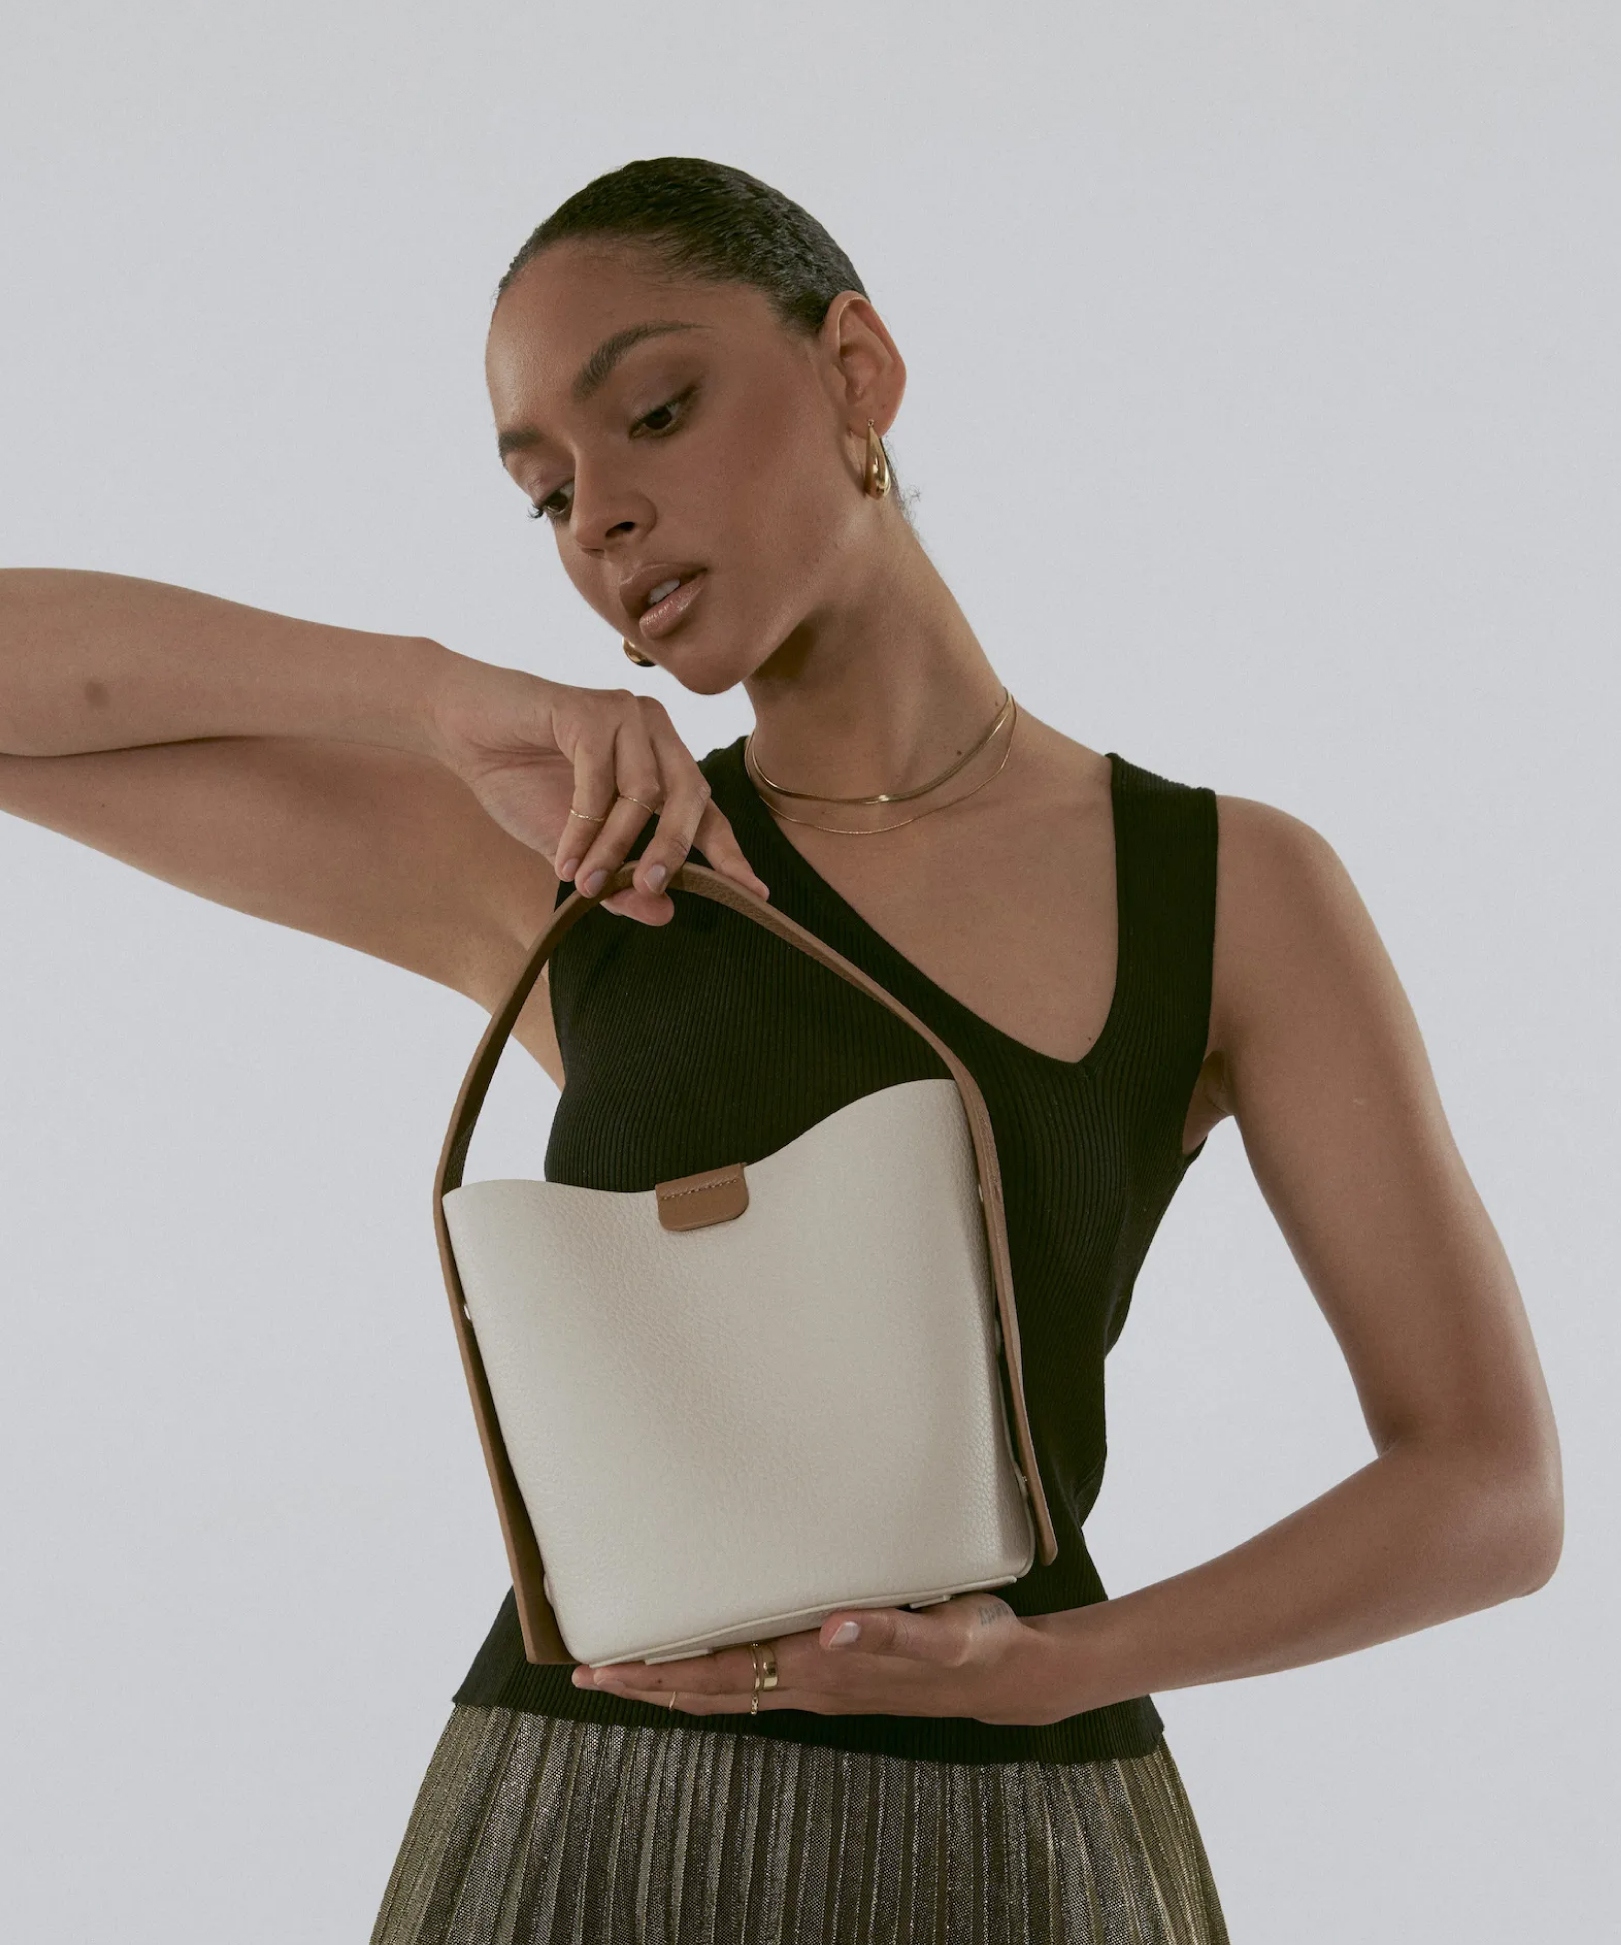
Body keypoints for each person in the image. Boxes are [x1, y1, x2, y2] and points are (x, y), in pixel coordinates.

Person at [0, 157, 1562, 1945]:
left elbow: (1486, 1485)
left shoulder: (1230, 889)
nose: (600, 517)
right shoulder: (592, 865)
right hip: (581, 1834)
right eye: (545, 494)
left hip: (1016, 1847)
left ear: (855, 371)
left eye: (656, 412)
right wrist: (438, 696)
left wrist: (1058, 1662)